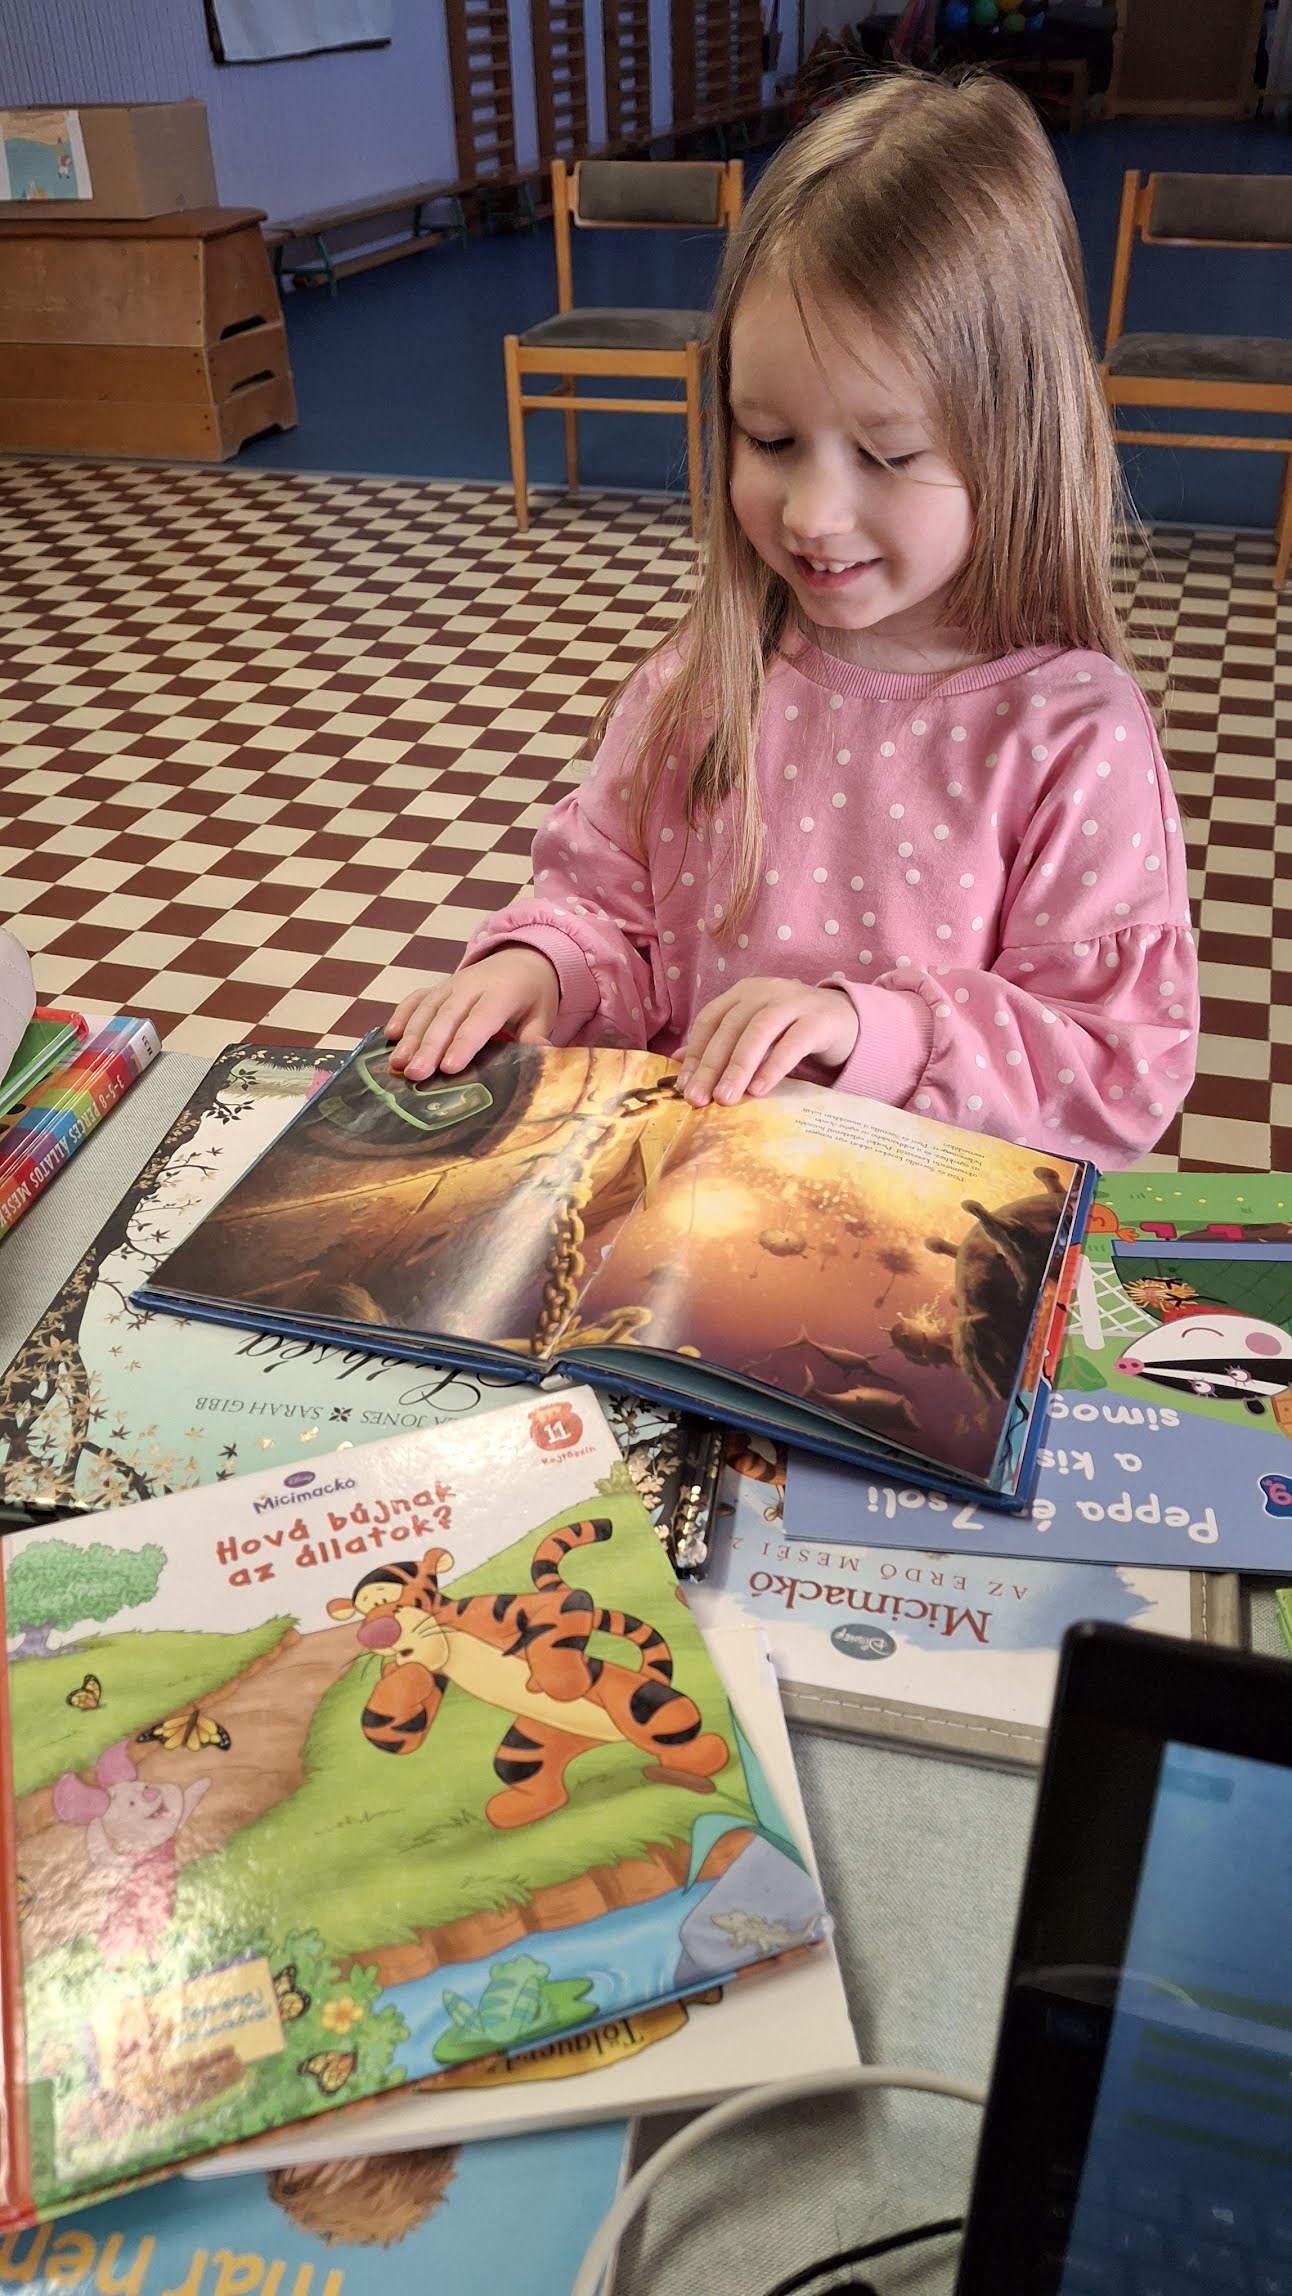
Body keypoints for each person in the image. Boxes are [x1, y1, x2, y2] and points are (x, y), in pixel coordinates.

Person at [387, 70, 1198, 1168]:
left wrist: (870, 1029)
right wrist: (540, 971)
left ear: (1016, 437)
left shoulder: (1070, 734)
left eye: (886, 454)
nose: (812, 514)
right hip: (685, 1205)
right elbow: (608, 920)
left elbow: (1112, 1070)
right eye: (768, 441)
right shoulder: (697, 682)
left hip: (923, 1233)